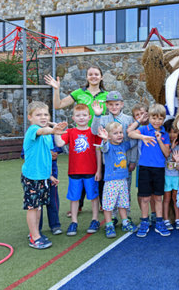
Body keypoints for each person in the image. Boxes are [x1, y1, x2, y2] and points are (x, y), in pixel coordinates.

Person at [44, 66, 108, 216]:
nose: (93, 76)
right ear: (86, 77)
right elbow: (58, 105)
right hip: (82, 136)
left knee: (99, 171)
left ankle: (102, 205)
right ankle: (77, 205)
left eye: (96, 74)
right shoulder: (79, 93)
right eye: (90, 74)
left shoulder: (107, 95)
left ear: (101, 77)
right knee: (82, 168)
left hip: (100, 137)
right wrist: (56, 89)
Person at [21, 101, 67, 249]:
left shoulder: (48, 135)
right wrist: (53, 129)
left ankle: (36, 233)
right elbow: (42, 131)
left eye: (46, 114)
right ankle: (34, 237)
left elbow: (45, 158)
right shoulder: (33, 130)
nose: (43, 117)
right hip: (32, 178)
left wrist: (49, 176)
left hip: (43, 177)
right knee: (32, 207)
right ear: (30, 117)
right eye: (38, 114)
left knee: (39, 207)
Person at [91, 91, 138, 226]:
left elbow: (132, 141)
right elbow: (95, 131)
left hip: (125, 161)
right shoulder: (104, 119)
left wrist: (133, 160)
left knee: (125, 190)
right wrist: (97, 115)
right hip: (110, 162)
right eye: (110, 104)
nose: (114, 107)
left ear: (122, 104)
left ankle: (126, 216)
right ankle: (112, 216)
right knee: (110, 192)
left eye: (117, 104)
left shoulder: (128, 119)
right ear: (106, 105)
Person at [54, 104, 102, 236]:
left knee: (93, 196)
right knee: (74, 198)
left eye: (84, 115)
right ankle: (74, 221)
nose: (81, 118)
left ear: (89, 117)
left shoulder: (93, 132)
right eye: (78, 115)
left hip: (91, 171)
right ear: (73, 118)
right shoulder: (70, 132)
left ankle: (95, 219)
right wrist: (56, 132)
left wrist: (99, 170)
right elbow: (59, 143)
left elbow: (98, 151)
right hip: (74, 172)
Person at [128, 103, 171, 238]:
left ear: (163, 119)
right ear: (149, 117)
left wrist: (159, 140)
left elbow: (166, 153)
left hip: (159, 169)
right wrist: (142, 136)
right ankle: (145, 222)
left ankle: (159, 222)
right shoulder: (144, 129)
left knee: (158, 197)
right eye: (154, 118)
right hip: (145, 168)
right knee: (145, 198)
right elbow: (130, 133)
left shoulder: (164, 134)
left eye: (160, 118)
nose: (156, 121)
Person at [97, 122, 138, 238]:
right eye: (115, 133)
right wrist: (105, 140)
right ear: (109, 136)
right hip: (111, 182)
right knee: (108, 205)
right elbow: (103, 148)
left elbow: (134, 140)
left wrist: (136, 124)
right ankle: (109, 224)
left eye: (120, 132)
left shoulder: (123, 145)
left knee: (123, 204)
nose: (119, 135)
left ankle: (125, 222)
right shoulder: (108, 146)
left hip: (123, 181)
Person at [162, 119, 179, 231]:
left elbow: (178, 167)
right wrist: (170, 148)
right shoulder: (164, 146)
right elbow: (163, 157)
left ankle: (177, 219)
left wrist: (177, 161)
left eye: (174, 132)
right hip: (166, 176)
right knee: (166, 199)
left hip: (176, 177)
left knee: (176, 199)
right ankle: (165, 219)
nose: (171, 135)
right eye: (169, 132)